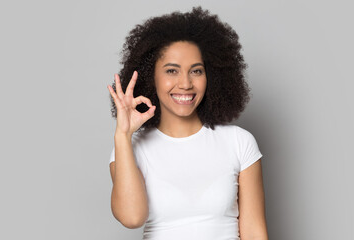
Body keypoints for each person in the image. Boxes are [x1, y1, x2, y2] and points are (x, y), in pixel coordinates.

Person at [107, 6, 268, 240]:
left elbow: (254, 233)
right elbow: (132, 218)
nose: (185, 83)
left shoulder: (239, 142)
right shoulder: (128, 150)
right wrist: (122, 135)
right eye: (172, 71)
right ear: (151, 77)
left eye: (196, 71)